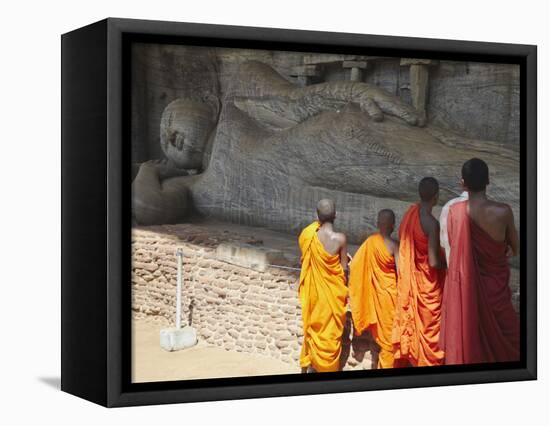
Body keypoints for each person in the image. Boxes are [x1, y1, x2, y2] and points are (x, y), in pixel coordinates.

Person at [440, 158, 520, 364]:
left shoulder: (454, 213)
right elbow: (515, 248)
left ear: (462, 183)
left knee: (470, 343)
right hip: (496, 289)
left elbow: (452, 252)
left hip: (467, 292)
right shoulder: (503, 211)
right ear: (488, 181)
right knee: (511, 343)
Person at [392, 177, 447, 367]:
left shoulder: (411, 214)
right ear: (437, 196)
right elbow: (433, 261)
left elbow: (406, 243)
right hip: (427, 285)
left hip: (413, 279)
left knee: (415, 327)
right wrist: (447, 262)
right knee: (429, 329)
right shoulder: (432, 223)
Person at [298, 199, 349, 373]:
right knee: (330, 334)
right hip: (332, 296)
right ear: (336, 215)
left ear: (317, 216)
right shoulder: (341, 239)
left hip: (316, 295)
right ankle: (328, 369)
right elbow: (343, 269)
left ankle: (312, 364)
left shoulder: (310, 235)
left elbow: (305, 257)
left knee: (315, 329)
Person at [348, 209, 399, 368]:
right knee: (389, 341)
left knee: (386, 340)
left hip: (378, 297)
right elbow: (403, 272)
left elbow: (355, 266)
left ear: (377, 224)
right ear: (393, 226)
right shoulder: (395, 245)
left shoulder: (370, 242)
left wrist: (349, 262)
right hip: (390, 296)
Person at [440, 190, 468, 264]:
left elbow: (442, 245)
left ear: (462, 182)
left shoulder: (448, 206)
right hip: (478, 271)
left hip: (452, 267)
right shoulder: (489, 210)